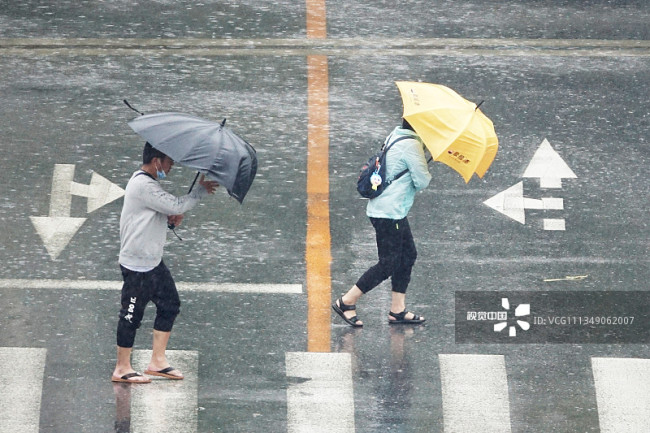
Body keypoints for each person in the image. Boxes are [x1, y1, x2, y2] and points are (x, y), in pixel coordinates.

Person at [111, 142, 219, 383]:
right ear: (156, 161)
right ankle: (121, 368)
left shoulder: (149, 185)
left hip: (153, 262)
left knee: (170, 304)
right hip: (137, 266)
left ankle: (157, 361)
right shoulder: (142, 184)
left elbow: (154, 215)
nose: (171, 167)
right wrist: (198, 192)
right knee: (130, 316)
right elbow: (175, 204)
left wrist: (169, 221)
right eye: (169, 162)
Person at [333, 119, 431, 327]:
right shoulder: (412, 146)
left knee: (408, 255)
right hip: (389, 213)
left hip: (390, 210)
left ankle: (397, 310)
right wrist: (423, 161)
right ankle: (346, 301)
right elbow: (422, 181)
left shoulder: (396, 135)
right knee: (389, 263)